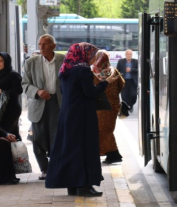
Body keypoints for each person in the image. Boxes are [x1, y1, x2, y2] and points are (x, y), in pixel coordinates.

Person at [45, 43, 119, 197]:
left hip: (67, 115)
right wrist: (107, 82)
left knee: (71, 149)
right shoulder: (83, 71)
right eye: (92, 56)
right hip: (82, 116)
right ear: (84, 54)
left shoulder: (65, 70)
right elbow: (90, 92)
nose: (93, 59)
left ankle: (72, 186)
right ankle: (84, 185)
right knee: (85, 149)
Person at [21, 34, 65, 181]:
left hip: (57, 103)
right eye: (40, 45)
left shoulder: (63, 61)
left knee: (56, 137)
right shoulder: (31, 62)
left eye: (45, 44)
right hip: (38, 104)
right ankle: (44, 169)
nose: (41, 48)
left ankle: (55, 168)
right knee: (38, 139)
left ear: (53, 46)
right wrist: (37, 91)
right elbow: (25, 84)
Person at [91, 50, 125, 164]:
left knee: (101, 130)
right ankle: (111, 154)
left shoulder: (93, 72)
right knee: (107, 129)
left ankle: (112, 154)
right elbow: (122, 84)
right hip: (113, 106)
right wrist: (113, 94)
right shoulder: (113, 71)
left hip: (99, 106)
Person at [0, 52, 23, 141]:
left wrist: (3, 91)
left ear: (6, 62)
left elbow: (19, 90)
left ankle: (17, 153)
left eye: (1, 61)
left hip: (11, 109)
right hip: (1, 107)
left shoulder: (13, 74)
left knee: (10, 132)